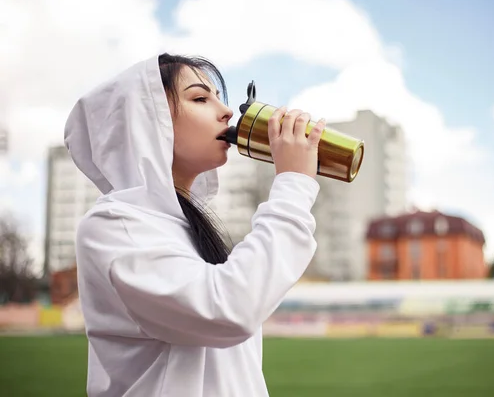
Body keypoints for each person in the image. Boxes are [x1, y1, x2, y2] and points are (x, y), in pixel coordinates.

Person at [64, 52, 325, 396]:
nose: (228, 111)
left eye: (219, 97)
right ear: (146, 120)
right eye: (201, 98)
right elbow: (228, 308)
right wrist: (293, 185)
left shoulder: (188, 227)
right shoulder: (114, 224)